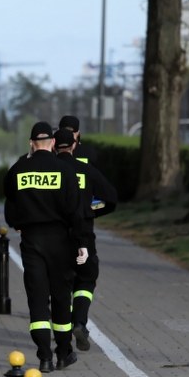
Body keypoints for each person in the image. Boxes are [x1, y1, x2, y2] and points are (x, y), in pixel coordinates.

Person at [4, 122, 88, 373]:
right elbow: (76, 212)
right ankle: (63, 352)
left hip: (32, 242)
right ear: (52, 143)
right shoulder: (64, 170)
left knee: (38, 299)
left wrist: (18, 224)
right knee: (62, 298)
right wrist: (82, 244)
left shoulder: (17, 170)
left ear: (31, 143)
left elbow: (10, 209)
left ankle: (44, 356)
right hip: (61, 241)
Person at [54, 124, 118, 352]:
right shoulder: (86, 169)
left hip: (54, 236)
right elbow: (111, 198)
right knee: (86, 279)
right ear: (74, 144)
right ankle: (79, 322)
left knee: (59, 284)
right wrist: (92, 211)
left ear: (53, 145)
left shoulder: (49, 171)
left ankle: (60, 336)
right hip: (83, 234)